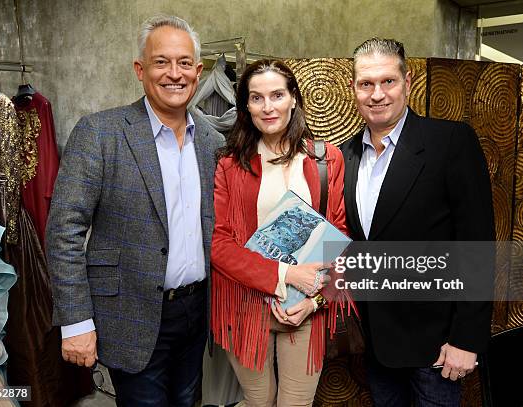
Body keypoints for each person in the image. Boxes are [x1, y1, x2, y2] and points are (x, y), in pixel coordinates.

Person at [45, 15, 224, 406]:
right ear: (140, 70)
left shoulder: (212, 141)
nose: (173, 74)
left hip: (197, 314)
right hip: (131, 314)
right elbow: (64, 230)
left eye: (183, 63)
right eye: (161, 62)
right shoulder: (100, 133)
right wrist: (76, 321)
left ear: (198, 72)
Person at [340, 38, 495, 406]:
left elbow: (478, 246)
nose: (377, 94)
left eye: (388, 81)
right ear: (354, 89)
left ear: (408, 82)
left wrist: (466, 340)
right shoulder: (344, 155)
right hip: (377, 345)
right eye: (366, 84)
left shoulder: (450, 142)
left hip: (438, 350)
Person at [210, 59, 348, 406]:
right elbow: (219, 243)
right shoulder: (230, 164)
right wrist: (286, 273)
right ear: (245, 106)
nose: (267, 106)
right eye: (256, 98)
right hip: (243, 303)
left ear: (293, 99)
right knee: (259, 401)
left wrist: (315, 300)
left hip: (304, 306)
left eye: (277, 95)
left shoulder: (326, 158)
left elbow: (338, 237)